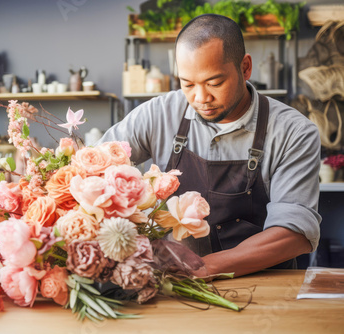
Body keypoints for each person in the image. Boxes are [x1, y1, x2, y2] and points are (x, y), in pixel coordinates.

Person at [98, 14, 321, 277]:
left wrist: (204, 267)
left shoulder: (293, 132)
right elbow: (92, 172)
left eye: (215, 83)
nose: (201, 97)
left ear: (245, 67)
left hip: (265, 286)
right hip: (171, 284)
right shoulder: (158, 114)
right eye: (188, 84)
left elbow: (293, 233)